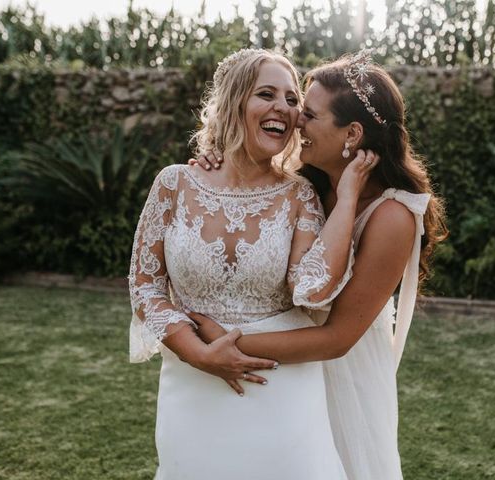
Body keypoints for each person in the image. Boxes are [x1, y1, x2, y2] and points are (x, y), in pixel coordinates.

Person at [189, 50, 447, 480]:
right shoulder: (304, 186)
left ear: (352, 134)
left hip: (339, 377)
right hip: (281, 366)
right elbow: (243, 185)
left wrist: (228, 343)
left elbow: (337, 338)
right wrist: (213, 164)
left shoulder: (391, 216)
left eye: (309, 114)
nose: (295, 121)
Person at [128, 48, 379, 479]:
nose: (283, 106)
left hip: (282, 393)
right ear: (233, 102)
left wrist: (351, 193)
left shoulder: (300, 196)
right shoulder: (175, 183)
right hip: (192, 388)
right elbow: (145, 287)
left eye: (292, 99)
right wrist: (200, 355)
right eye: (266, 94)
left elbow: (312, 289)